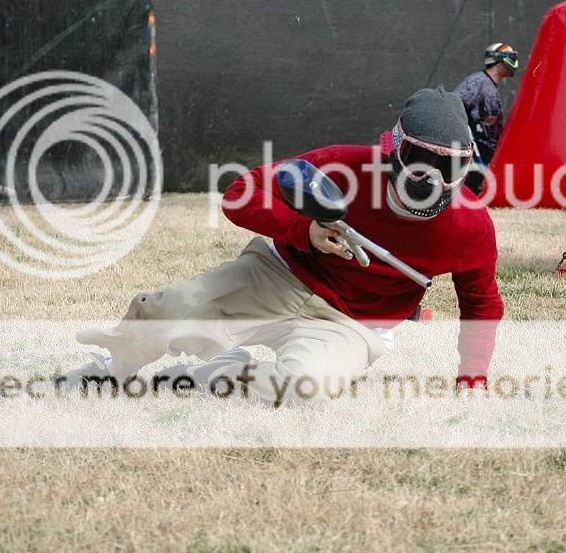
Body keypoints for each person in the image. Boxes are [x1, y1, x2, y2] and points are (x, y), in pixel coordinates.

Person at [63, 87, 504, 405]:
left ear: (466, 166)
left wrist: (472, 379)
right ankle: (109, 371)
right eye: (419, 158)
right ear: (391, 148)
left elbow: (481, 303)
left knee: (302, 388)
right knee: (164, 309)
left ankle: (223, 371)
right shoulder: (344, 165)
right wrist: (303, 230)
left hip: (352, 325)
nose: (429, 178)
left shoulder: (469, 227)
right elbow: (240, 193)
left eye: (447, 164)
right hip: (279, 276)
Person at [455, 43, 519, 191]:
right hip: (475, 150)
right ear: (497, 60)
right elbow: (455, 104)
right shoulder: (478, 81)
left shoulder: (486, 84)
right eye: (509, 56)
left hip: (484, 151)